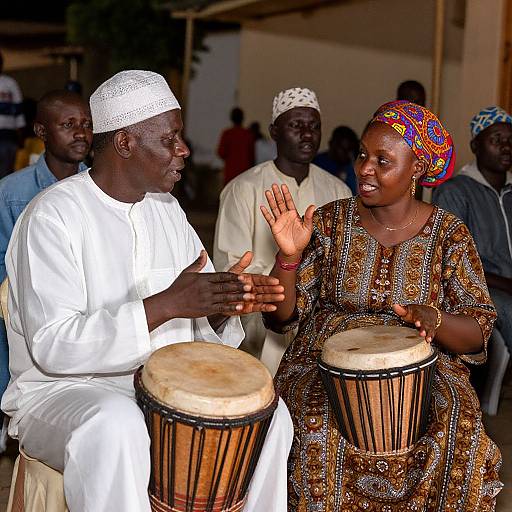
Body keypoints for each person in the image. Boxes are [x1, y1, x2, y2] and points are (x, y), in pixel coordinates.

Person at [1, 70, 292, 512]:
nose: (184, 151)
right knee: (117, 424)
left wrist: (218, 306)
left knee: (268, 415)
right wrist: (167, 304)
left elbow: (196, 322)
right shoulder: (52, 217)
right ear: (125, 143)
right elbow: (54, 347)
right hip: (62, 392)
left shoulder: (168, 211)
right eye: (170, 139)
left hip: (161, 385)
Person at [260, 101, 502, 511]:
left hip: (425, 361)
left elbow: (479, 328)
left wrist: (435, 319)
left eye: (383, 161)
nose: (365, 168)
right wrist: (288, 258)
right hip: (324, 358)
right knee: (315, 423)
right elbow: (280, 317)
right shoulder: (330, 222)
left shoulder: (449, 234)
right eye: (362, 155)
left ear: (416, 169)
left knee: (455, 420)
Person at [214, 87, 352, 374]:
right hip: (261, 321)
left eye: (314, 126)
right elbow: (231, 267)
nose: (307, 134)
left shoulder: (337, 190)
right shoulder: (243, 188)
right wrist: (284, 292)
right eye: (296, 125)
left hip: (321, 319)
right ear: (274, 131)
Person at [0, 89, 92, 451]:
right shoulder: (12, 192)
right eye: (68, 125)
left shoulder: (98, 187)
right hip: (20, 318)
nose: (80, 133)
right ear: (41, 131)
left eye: (86, 124)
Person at [433, 105, 512, 353]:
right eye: (496, 139)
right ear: (475, 146)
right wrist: (507, 283)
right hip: (476, 289)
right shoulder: (454, 192)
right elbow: (451, 262)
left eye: (510, 140)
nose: (506, 147)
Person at [0, 50, 25, 178]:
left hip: (7, 136)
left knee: (6, 174)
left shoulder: (10, 83)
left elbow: (18, 111)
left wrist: (20, 136)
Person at [313, 125, 359, 194]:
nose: (346, 153)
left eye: (349, 149)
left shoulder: (352, 167)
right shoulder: (316, 163)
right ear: (331, 144)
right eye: (342, 148)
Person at [217, 107, 254, 184]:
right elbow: (252, 157)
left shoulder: (227, 134)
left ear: (231, 118)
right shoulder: (248, 134)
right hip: (245, 173)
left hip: (230, 173)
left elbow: (221, 153)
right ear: (242, 118)